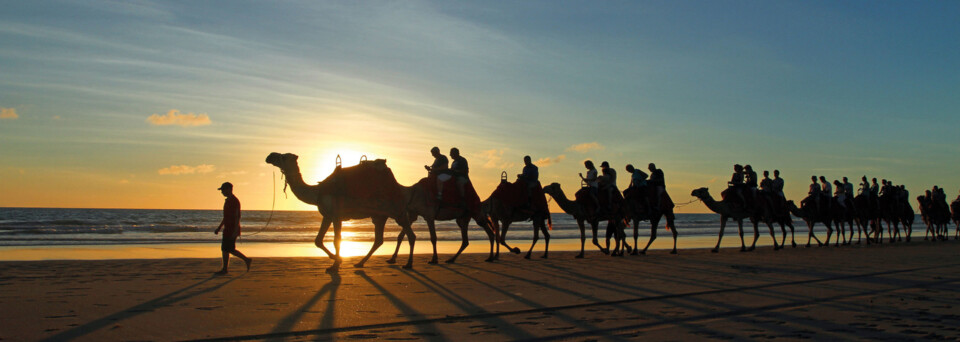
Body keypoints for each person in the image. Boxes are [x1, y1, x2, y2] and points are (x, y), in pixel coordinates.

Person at [214, 182, 251, 275]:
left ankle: (245, 260)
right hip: (227, 229)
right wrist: (219, 228)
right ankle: (225, 268)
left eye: (223, 190)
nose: (222, 192)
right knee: (226, 249)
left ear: (229, 189)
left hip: (232, 229)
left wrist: (235, 230)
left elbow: (237, 217)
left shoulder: (234, 201)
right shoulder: (227, 201)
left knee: (229, 249)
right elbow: (225, 217)